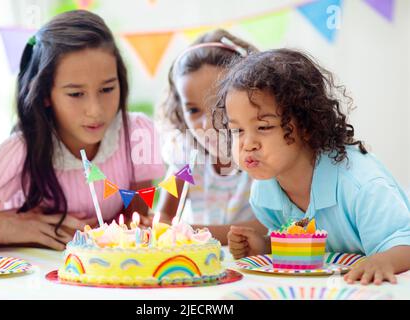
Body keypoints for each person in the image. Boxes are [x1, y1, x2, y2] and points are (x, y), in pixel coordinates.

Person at [0, 10, 164, 250]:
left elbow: (134, 226)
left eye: (107, 89)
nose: (95, 110)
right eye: (76, 94)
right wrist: (7, 227)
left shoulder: (138, 134)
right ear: (46, 95)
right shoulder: (21, 150)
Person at [218, 49, 410, 285]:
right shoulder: (265, 192)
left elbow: (404, 242)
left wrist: (383, 261)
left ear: (306, 126)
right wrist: (266, 245)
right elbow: (307, 246)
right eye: (237, 130)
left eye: (264, 127)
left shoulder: (359, 186)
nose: (247, 144)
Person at [156, 29, 267, 244]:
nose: (208, 124)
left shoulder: (260, 156)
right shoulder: (186, 158)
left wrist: (192, 232)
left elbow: (267, 226)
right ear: (180, 111)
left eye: (219, 105)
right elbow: (164, 218)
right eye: (194, 111)